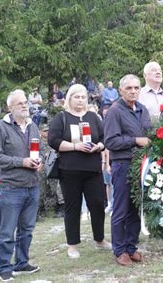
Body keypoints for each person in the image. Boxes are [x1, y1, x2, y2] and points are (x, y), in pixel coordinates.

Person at [48, 84, 110, 259]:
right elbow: (53, 140)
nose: (80, 100)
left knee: (97, 205)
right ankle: (72, 245)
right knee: (72, 208)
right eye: (77, 97)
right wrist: (75, 146)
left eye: (83, 97)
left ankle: (100, 240)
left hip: (93, 170)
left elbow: (105, 137)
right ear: (70, 98)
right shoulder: (62, 117)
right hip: (70, 170)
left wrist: (98, 146)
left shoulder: (93, 117)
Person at [0, 89, 42, 281]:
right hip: (12, 187)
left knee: (27, 229)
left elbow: (40, 150)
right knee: (7, 231)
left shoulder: (32, 126)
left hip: (32, 186)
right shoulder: (0, 128)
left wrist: (40, 161)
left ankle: (22, 263)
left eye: (25, 102)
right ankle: (4, 267)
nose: (24, 105)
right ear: (10, 107)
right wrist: (22, 162)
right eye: (19, 103)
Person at [104, 74, 151, 266]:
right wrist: (135, 141)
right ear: (121, 90)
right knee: (121, 209)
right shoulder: (115, 111)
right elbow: (110, 141)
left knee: (135, 209)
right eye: (129, 88)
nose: (133, 91)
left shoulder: (142, 109)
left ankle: (131, 247)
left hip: (141, 165)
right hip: (122, 165)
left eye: (136, 88)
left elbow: (149, 133)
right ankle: (120, 250)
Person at [38, 124, 65, 219]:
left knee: (56, 188)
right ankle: (41, 210)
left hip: (52, 167)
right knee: (41, 189)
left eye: (48, 130)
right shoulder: (38, 142)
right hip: (41, 168)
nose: (47, 132)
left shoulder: (52, 141)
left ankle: (59, 207)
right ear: (40, 132)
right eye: (45, 131)